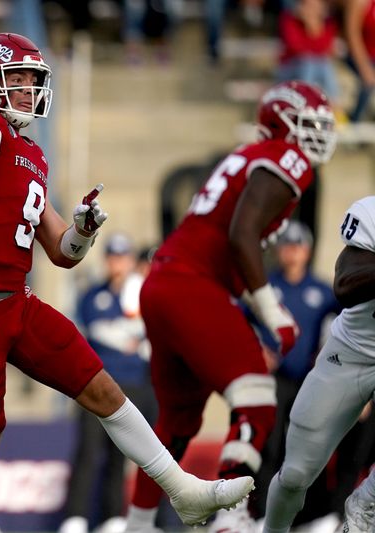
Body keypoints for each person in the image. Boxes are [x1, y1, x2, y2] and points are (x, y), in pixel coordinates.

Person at [0, 31, 255, 533]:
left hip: (17, 305)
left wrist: (84, 231)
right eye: (15, 79)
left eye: (31, 79)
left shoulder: (30, 152)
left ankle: (183, 491)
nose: (27, 89)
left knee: (104, 392)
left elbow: (61, 251)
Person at [121, 80, 338, 533]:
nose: (319, 134)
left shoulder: (247, 158)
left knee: (177, 424)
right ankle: (230, 513)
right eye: (310, 124)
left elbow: (230, 246)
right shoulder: (286, 157)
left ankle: (138, 525)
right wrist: (272, 311)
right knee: (257, 398)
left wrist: (257, 309)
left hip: (166, 282)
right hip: (192, 284)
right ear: (284, 125)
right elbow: (243, 235)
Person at [261, 195, 375, 533]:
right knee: (295, 474)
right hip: (353, 351)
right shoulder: (370, 212)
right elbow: (345, 280)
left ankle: (365, 504)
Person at [58, 234, 157, 533]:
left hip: (132, 383)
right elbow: (98, 331)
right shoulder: (93, 295)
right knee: (88, 452)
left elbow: (146, 333)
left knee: (120, 455)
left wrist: (127, 334)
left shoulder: (140, 294)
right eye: (113, 257)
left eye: (123, 257)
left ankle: (112, 517)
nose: (118, 263)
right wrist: (128, 335)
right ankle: (75, 517)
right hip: (95, 385)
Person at [251, 221, 342, 523]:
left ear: (308, 251)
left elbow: (343, 324)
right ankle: (262, 513)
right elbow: (239, 318)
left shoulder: (321, 290)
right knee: (270, 445)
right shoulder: (266, 287)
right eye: (287, 246)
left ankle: (310, 516)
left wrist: (325, 352)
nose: (291, 252)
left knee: (308, 446)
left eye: (297, 246)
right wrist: (258, 348)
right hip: (275, 379)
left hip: (310, 378)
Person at [276, 0, 341, 115]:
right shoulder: (288, 19)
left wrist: (314, 26)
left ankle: (334, 107)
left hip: (317, 67)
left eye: (315, 5)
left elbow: (325, 48)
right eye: (308, 5)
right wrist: (309, 26)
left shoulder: (328, 23)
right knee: (308, 63)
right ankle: (307, 105)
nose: (312, 9)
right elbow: (296, 48)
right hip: (289, 69)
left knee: (324, 63)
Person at [343, 0, 375, 121]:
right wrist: (364, 66)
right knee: (368, 82)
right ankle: (354, 121)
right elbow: (352, 34)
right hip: (361, 57)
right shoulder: (359, 2)